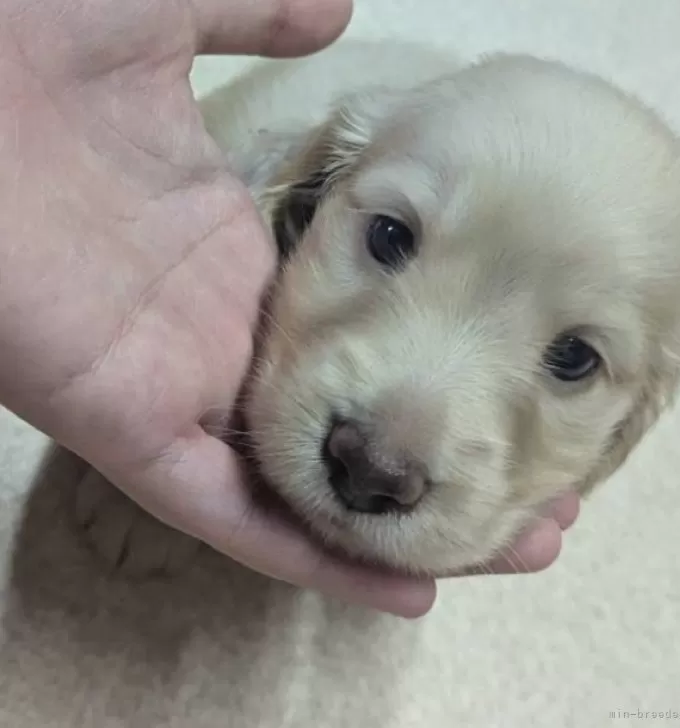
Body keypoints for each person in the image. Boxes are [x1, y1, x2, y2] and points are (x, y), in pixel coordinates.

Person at [0, 0, 579, 618]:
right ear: (309, 192)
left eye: (573, 357)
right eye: (390, 238)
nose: (383, 463)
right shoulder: (238, 197)